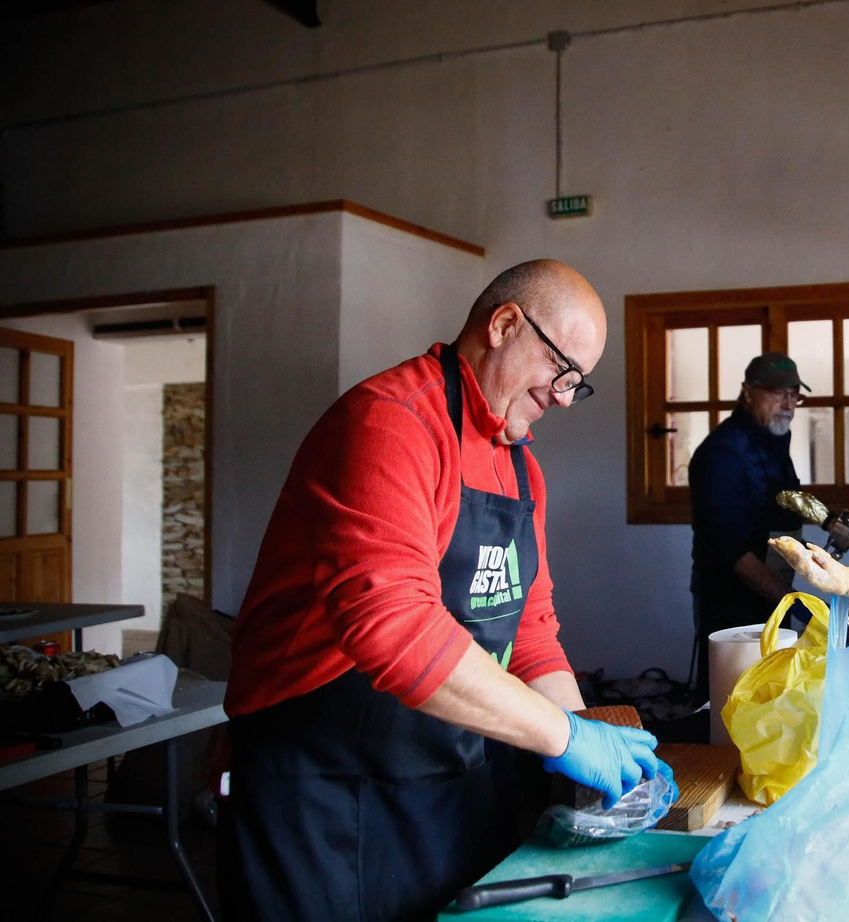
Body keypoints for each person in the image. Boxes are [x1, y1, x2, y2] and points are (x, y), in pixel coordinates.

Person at [220, 260, 668, 922]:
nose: (567, 397)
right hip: (321, 790)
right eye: (562, 371)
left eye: (580, 384)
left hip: (448, 776)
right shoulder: (389, 424)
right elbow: (392, 629)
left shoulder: (523, 469)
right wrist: (560, 738)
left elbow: (531, 629)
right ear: (506, 324)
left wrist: (584, 730)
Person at [688, 352, 809, 705]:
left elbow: (782, 507)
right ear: (747, 392)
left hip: (771, 590)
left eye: (794, 394)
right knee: (730, 699)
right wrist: (791, 602)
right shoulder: (723, 453)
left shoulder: (773, 441)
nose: (787, 404)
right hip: (731, 597)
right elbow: (732, 549)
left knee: (771, 698)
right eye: (776, 393)